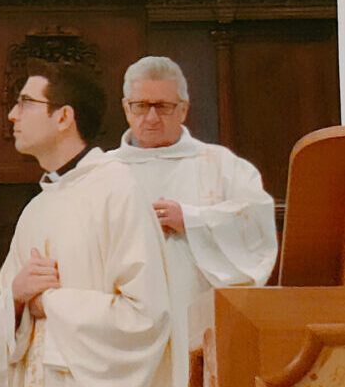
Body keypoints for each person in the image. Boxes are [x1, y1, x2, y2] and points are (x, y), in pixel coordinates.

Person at [0, 63, 190, 387]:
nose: (12, 115)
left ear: (64, 116)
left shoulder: (116, 190)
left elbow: (145, 315)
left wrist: (50, 303)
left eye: (25, 103)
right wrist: (17, 300)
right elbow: (11, 309)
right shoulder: (39, 206)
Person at [109, 56, 276, 370]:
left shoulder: (221, 165)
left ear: (183, 109)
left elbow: (256, 224)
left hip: (198, 321)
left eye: (163, 106)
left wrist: (191, 219)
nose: (151, 117)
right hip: (125, 330)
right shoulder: (103, 172)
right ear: (126, 108)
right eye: (141, 106)